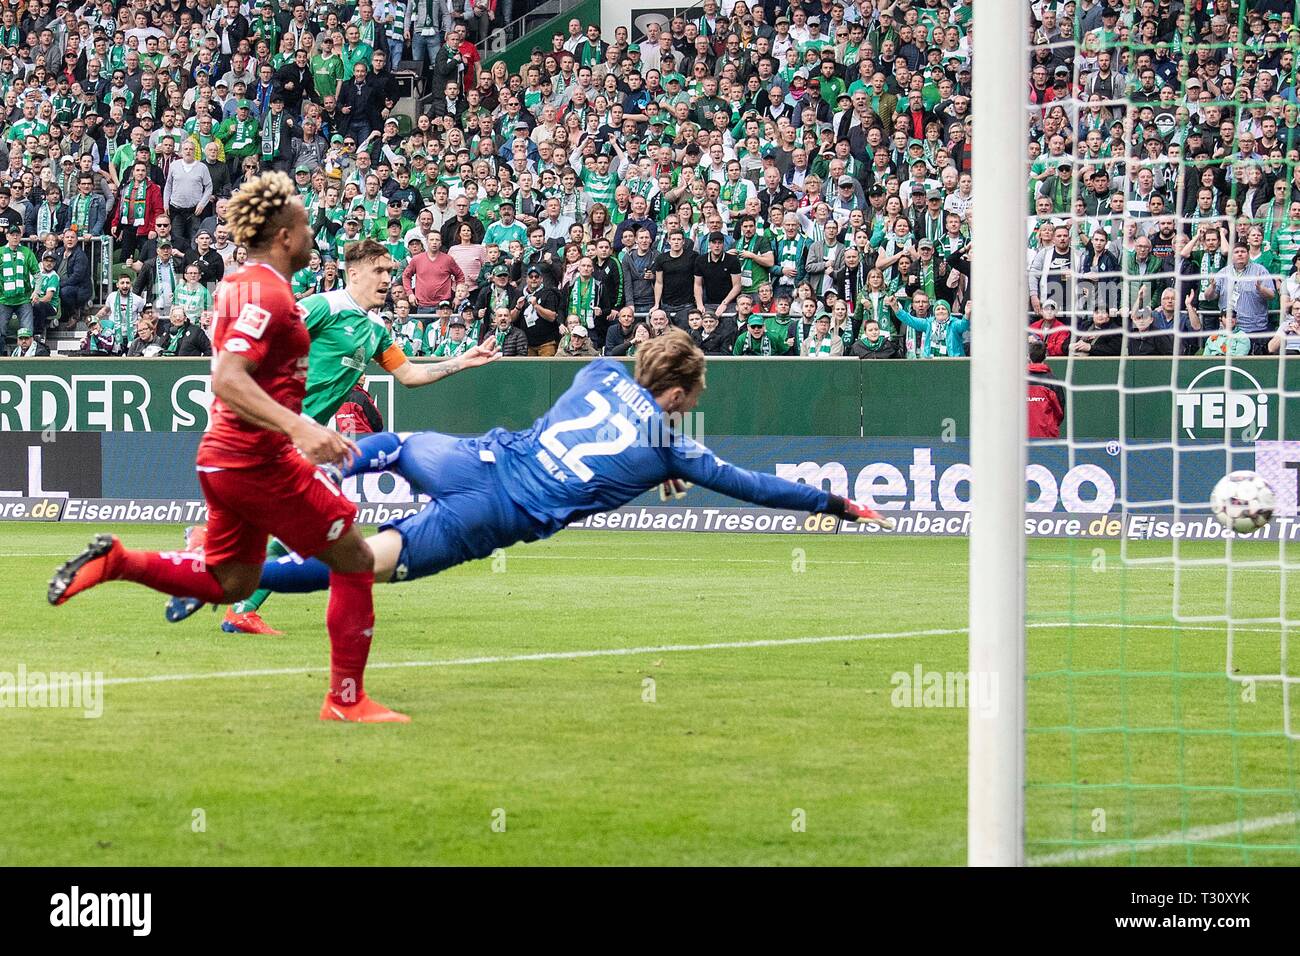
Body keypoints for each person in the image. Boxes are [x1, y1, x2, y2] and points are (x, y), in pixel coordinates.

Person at [48, 171, 402, 724]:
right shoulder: (268, 293)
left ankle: (120, 561)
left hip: (225, 456)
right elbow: (229, 378)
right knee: (355, 560)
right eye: (306, 225)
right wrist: (300, 428)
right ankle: (345, 700)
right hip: (258, 457)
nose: (313, 235)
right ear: (285, 235)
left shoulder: (239, 283)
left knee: (233, 580)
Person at [179, 331, 893, 603]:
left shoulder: (598, 370)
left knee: (393, 444)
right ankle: (216, 575)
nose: (689, 406)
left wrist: (657, 463)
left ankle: (322, 473)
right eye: (691, 397)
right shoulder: (672, 445)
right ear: (677, 393)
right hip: (496, 511)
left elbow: (626, 421)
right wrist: (838, 505)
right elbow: (754, 486)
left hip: (474, 456)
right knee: (356, 565)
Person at [205, 237, 500, 635]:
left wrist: (461, 362)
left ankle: (230, 593)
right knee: (317, 524)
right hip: (276, 427)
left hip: (302, 437)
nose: (386, 279)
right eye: (378, 271)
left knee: (310, 525)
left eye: (389, 272)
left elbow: (409, 376)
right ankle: (224, 586)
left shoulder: (376, 329)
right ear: (354, 272)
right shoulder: (324, 307)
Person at [1026, 339, 1064, 439]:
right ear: (1046, 356)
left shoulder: (1017, 382)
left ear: (1028, 356)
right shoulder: (1053, 382)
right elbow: (1059, 413)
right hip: (1046, 439)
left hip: (1020, 438)